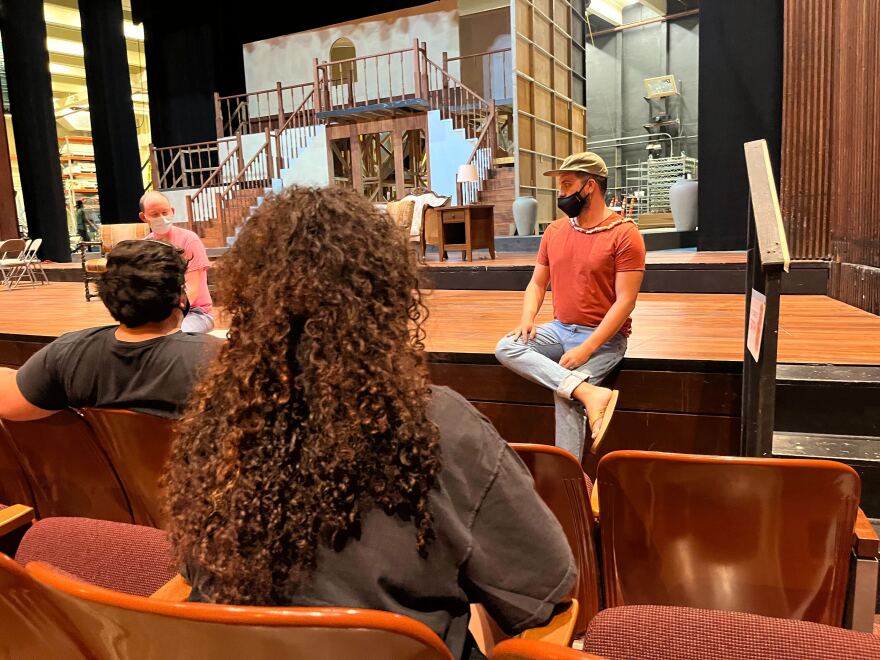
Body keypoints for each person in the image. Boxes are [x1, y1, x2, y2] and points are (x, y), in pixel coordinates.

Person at [165, 187, 575, 660]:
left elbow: (195, 575)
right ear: (384, 296)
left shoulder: (218, 420)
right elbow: (545, 584)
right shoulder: (438, 426)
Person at [495, 152, 646, 461]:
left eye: (566, 185)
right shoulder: (554, 232)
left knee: (565, 396)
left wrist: (587, 349)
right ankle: (590, 393)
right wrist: (528, 317)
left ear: (589, 186)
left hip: (605, 340)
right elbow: (537, 283)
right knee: (507, 346)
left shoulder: (625, 234)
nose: (560, 194)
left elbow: (625, 302)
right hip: (560, 329)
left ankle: (569, 482)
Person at [0, 240, 222, 421]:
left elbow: (9, 403)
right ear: (181, 298)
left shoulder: (67, 354)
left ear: (108, 296)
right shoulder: (217, 360)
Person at [139, 191, 215, 333]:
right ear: (144, 217)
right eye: (155, 214)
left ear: (172, 211)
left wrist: (168, 319)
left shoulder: (189, 240)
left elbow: (192, 289)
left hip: (195, 312)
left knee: (171, 336)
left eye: (165, 212)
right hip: (160, 312)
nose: (161, 218)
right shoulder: (145, 246)